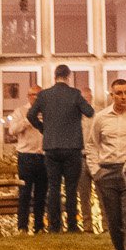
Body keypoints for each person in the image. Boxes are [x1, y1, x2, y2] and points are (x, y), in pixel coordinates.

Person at [29, 67, 94, 232]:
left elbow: (30, 115)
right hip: (72, 148)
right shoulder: (74, 94)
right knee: (71, 188)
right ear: (68, 77)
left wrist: (43, 128)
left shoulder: (44, 95)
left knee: (54, 187)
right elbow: (90, 111)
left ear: (55, 76)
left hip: (51, 147)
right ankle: (72, 225)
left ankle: (54, 225)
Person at [86, 77, 126, 250]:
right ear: (112, 95)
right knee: (114, 221)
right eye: (119, 93)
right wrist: (95, 171)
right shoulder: (101, 118)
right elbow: (91, 145)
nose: (123, 97)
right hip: (107, 171)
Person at [4, 82, 47, 233]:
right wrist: (29, 119)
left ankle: (39, 227)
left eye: (39, 95)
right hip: (26, 157)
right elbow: (12, 130)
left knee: (41, 193)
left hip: (43, 156)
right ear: (29, 97)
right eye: (34, 95)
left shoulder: (47, 112)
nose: (36, 98)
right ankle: (22, 227)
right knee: (25, 193)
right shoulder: (20, 111)